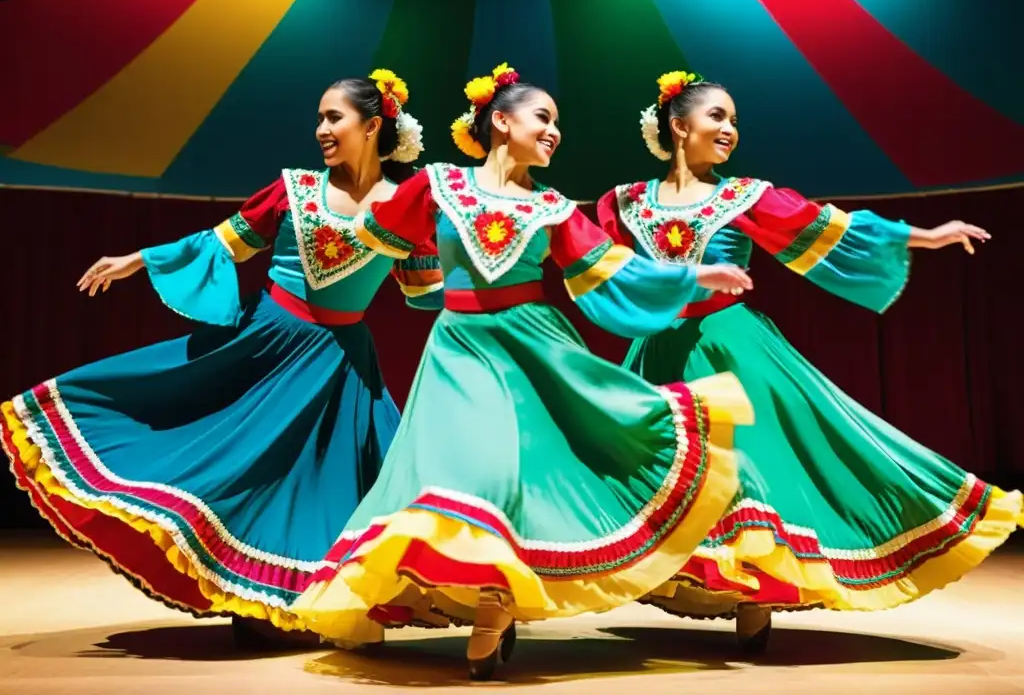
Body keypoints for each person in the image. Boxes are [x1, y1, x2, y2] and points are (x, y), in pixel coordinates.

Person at [291, 63, 756, 680]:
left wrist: (695, 275)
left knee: (516, 479)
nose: (555, 131)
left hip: (536, 352)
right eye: (544, 118)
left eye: (557, 123)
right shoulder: (439, 185)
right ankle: (482, 599)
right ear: (502, 121)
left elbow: (615, 267)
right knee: (471, 473)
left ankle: (494, 604)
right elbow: (375, 238)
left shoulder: (555, 209)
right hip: (458, 350)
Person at [0, 69, 443, 647]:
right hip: (267, 347)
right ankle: (252, 596)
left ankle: (306, 597)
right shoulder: (296, 191)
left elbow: (424, 291)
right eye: (319, 118)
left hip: (342, 365)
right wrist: (137, 258)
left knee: (322, 483)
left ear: (373, 124)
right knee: (244, 464)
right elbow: (221, 244)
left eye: (333, 117)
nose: (321, 129)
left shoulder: (408, 205)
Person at [596, 70, 1024, 653]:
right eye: (718, 117)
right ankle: (692, 578)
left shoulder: (744, 195)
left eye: (735, 121)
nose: (730, 130)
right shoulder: (623, 203)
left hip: (730, 347)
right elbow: (599, 263)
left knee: (745, 465)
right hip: (659, 351)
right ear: (678, 125)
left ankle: (755, 589)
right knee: (667, 470)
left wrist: (927, 235)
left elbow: (828, 228)